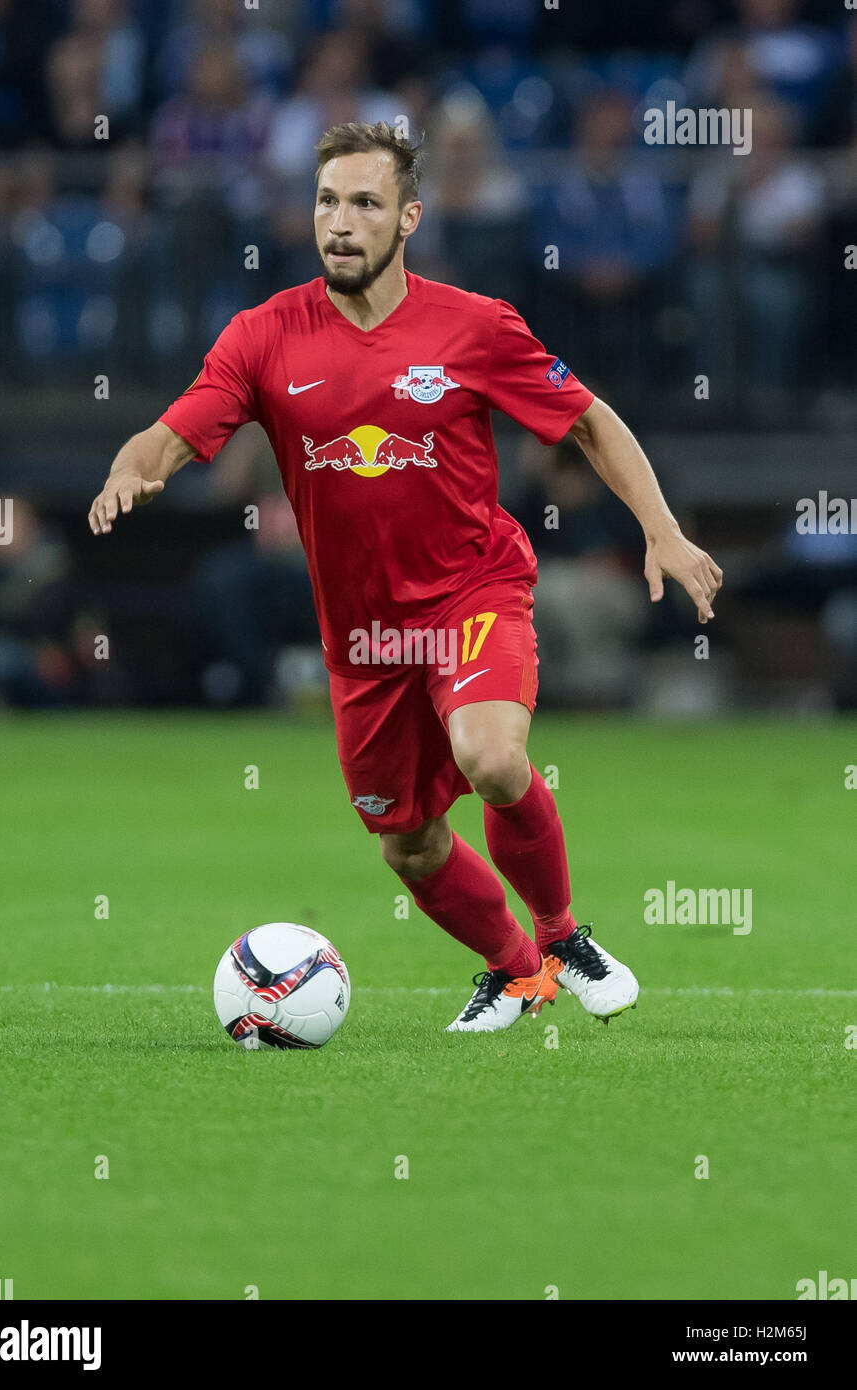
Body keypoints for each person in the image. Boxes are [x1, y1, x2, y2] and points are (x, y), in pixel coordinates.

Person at [88, 122, 722, 1034]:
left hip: (474, 591)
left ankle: (561, 937)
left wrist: (659, 531)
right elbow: (178, 426)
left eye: (365, 203)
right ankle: (513, 972)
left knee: (494, 759)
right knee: (408, 844)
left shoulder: (473, 326)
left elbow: (588, 420)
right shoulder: (263, 337)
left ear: (408, 218)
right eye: (326, 202)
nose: (340, 223)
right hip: (364, 638)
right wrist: (133, 466)